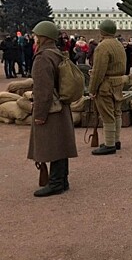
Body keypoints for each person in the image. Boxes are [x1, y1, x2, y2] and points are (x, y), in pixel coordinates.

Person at [27, 21, 77, 197]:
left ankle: (56, 183)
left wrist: (39, 114)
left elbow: (42, 90)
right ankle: (62, 180)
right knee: (61, 143)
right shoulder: (57, 54)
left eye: (35, 35)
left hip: (51, 108)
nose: (34, 38)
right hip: (61, 105)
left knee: (53, 144)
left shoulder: (42, 58)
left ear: (42, 37)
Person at [88, 20, 126, 155]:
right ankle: (115, 141)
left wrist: (92, 90)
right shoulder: (119, 44)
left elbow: (98, 71)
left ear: (102, 32)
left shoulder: (102, 47)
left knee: (107, 114)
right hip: (118, 82)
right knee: (117, 112)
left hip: (106, 84)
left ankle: (109, 144)